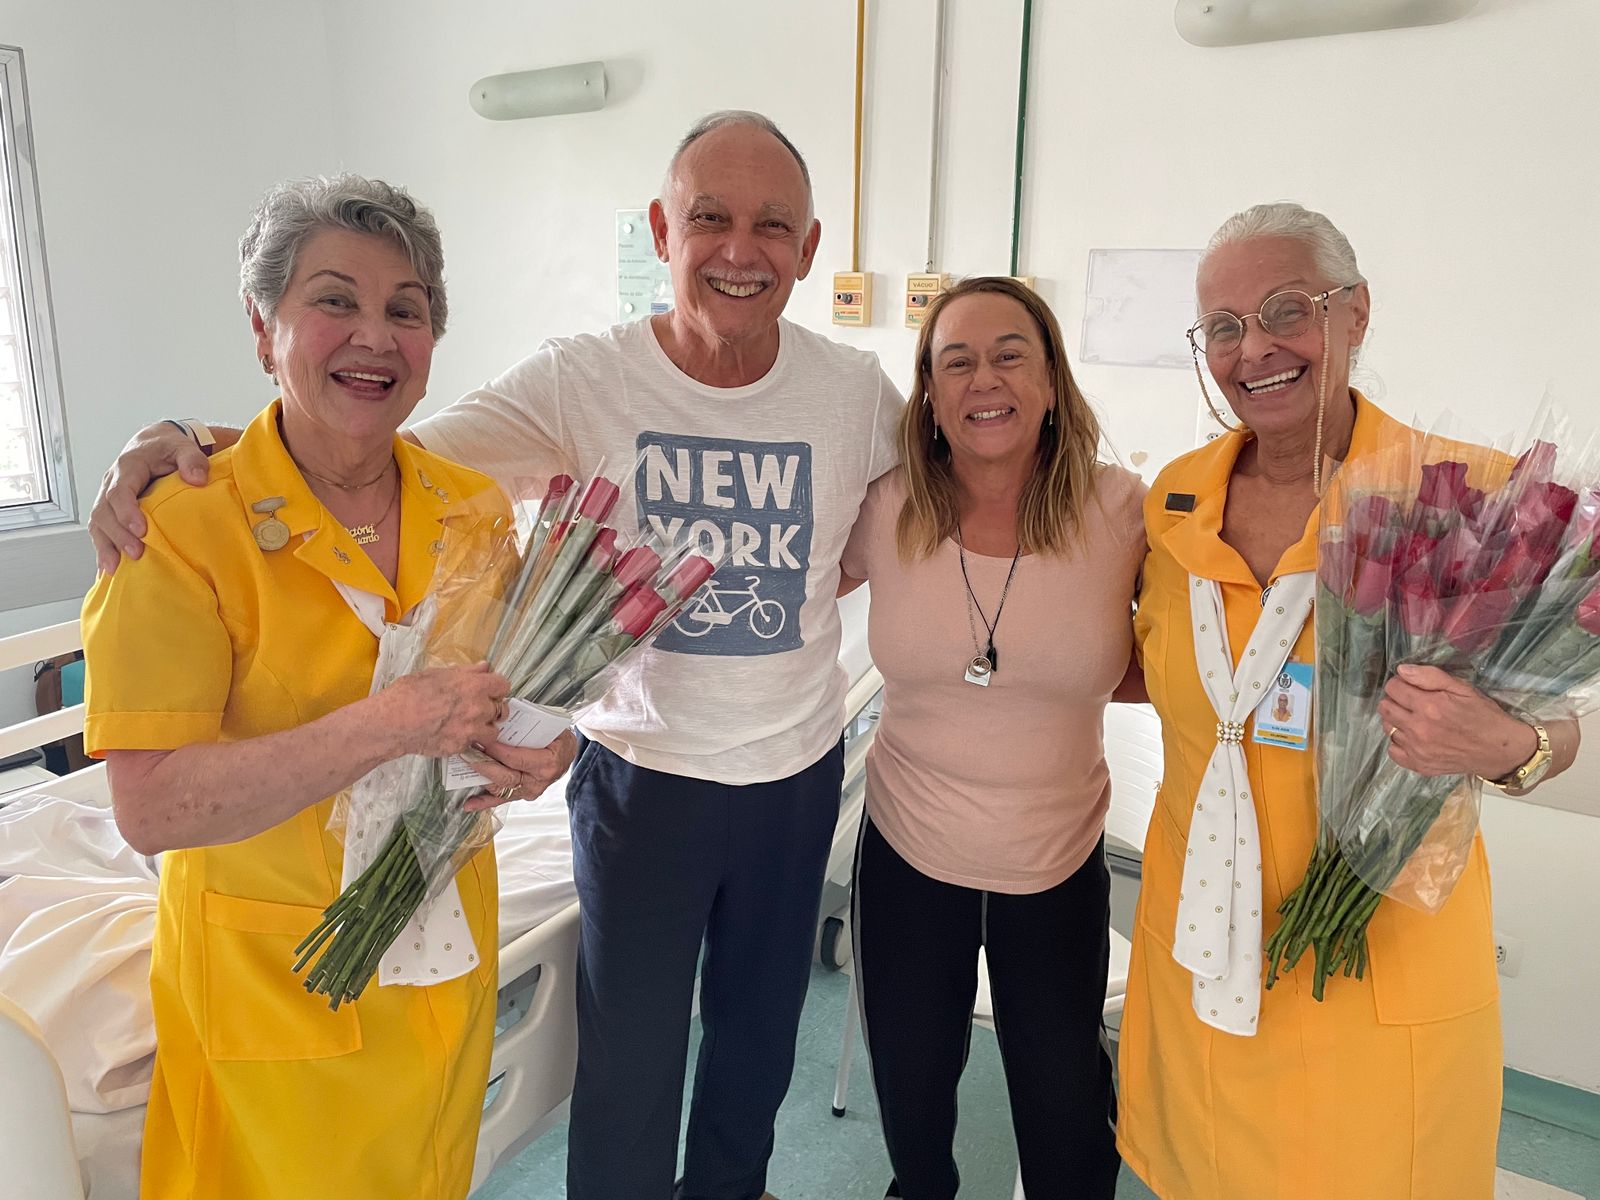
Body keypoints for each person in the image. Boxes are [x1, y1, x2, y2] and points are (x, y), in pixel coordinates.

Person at [87, 112, 902, 1200]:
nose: (740, 250)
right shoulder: (579, 379)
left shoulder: (855, 392)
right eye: (709, 217)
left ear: (809, 248)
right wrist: (187, 442)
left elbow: (923, 503)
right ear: (663, 231)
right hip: (642, 778)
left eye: (774, 226)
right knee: (629, 1073)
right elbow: (366, 437)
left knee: (757, 1055)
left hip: (791, 772)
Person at [80, 175, 571, 1200]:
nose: (375, 336)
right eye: (334, 300)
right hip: (276, 987)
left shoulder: (473, 509)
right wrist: (388, 726)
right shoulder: (179, 528)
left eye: (407, 309)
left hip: (441, 953)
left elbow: (502, 698)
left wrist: (541, 750)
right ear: (263, 328)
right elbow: (152, 808)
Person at [1117, 201, 1581, 1200]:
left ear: (1355, 312)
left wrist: (1510, 745)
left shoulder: (1468, 499)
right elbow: (1139, 661)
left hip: (1372, 960)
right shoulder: (1175, 500)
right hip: (1202, 940)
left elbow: (1561, 717)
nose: (1255, 349)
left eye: (1287, 309)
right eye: (1224, 327)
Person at [838, 277, 1143, 1199]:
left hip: (1054, 861)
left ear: (1051, 381)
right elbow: (785, 594)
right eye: (957, 361)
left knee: (1065, 1113)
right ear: (929, 393)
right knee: (914, 1106)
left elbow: (1175, 656)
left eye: (1011, 355)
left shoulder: (1122, 513)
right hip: (907, 853)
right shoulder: (886, 506)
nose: (985, 380)